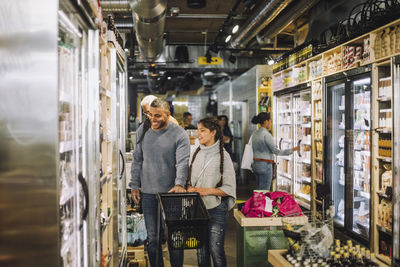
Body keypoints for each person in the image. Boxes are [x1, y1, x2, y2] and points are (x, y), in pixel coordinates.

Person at [130, 98, 190, 267]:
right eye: (150, 115)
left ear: (168, 114)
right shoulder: (144, 130)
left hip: (171, 195)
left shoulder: (179, 134)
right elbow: (137, 160)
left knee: (174, 238)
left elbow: (183, 162)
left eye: (158, 116)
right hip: (148, 194)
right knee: (153, 239)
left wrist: (179, 184)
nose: (153, 119)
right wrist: (134, 185)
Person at [187, 117, 236, 267]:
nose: (198, 134)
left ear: (213, 132)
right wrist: (189, 187)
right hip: (198, 209)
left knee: (216, 249)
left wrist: (205, 191)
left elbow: (229, 188)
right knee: (201, 251)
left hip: (217, 209)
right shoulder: (195, 153)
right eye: (198, 130)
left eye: (202, 131)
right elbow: (189, 180)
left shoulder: (223, 156)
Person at [251, 112, 299, 190]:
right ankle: (262, 202)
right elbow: (276, 152)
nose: (271, 124)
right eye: (270, 121)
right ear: (266, 121)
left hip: (256, 165)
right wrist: (292, 150)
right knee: (264, 190)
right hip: (265, 165)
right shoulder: (266, 134)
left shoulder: (255, 133)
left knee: (259, 190)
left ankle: (258, 202)